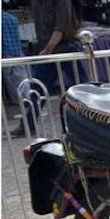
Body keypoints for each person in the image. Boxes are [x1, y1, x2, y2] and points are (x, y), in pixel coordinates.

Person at [10, 0, 89, 138]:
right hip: (52, 48)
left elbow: (61, 27)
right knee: (38, 88)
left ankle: (95, 119)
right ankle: (27, 125)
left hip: (63, 48)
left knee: (83, 87)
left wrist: (48, 49)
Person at [2, 11, 26, 104]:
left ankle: (16, 100)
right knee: (21, 75)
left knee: (9, 77)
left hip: (6, 52)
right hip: (18, 49)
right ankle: (26, 96)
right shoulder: (13, 18)